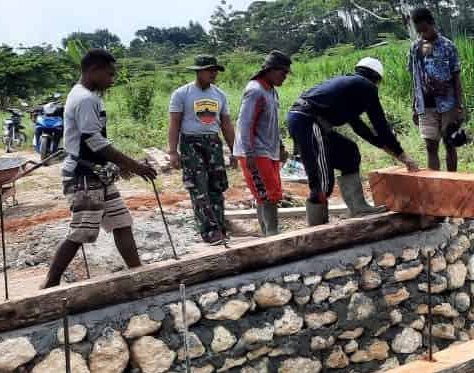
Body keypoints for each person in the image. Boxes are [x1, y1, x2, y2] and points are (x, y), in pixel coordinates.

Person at [42, 49, 158, 289]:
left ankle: (139, 274)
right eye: (109, 74)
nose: (111, 80)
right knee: (82, 231)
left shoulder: (85, 95)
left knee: (121, 221)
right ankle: (50, 284)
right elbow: (94, 142)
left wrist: (115, 164)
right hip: (83, 176)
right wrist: (134, 166)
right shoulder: (85, 99)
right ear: (93, 70)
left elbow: (95, 144)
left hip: (97, 173)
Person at [286, 57, 420, 226]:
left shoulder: (349, 86)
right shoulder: (366, 87)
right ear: (376, 79)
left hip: (304, 119)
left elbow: (359, 127)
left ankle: (357, 207)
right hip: (308, 122)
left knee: (348, 152)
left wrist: (383, 146)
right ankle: (316, 228)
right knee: (322, 181)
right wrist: (402, 155)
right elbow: (380, 125)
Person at [168, 55, 236, 245]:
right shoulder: (182, 94)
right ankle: (209, 231)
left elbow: (227, 125)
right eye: (209, 70)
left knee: (217, 186)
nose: (213, 74)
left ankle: (220, 227)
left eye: (215, 70)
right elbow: (174, 123)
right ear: (198, 71)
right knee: (198, 188)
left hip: (213, 143)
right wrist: (173, 152)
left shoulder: (219, 95)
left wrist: (234, 150)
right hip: (191, 144)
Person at [234, 51, 292, 237]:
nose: (285, 77)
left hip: (268, 150)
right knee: (268, 194)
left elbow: (272, 122)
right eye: (283, 73)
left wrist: (281, 146)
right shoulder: (255, 91)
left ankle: (268, 233)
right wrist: (249, 153)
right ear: (271, 70)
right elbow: (245, 123)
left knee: (267, 194)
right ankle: (272, 234)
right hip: (255, 151)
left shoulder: (271, 91)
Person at [408, 6, 465, 171]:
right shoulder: (415, 49)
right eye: (419, 31)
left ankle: (452, 183)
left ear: (432, 24)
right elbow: (416, 78)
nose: (423, 34)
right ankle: (436, 186)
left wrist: (459, 106)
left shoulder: (448, 46)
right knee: (431, 147)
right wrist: (415, 106)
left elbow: (456, 78)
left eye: (425, 29)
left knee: (450, 143)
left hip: (447, 104)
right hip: (426, 106)